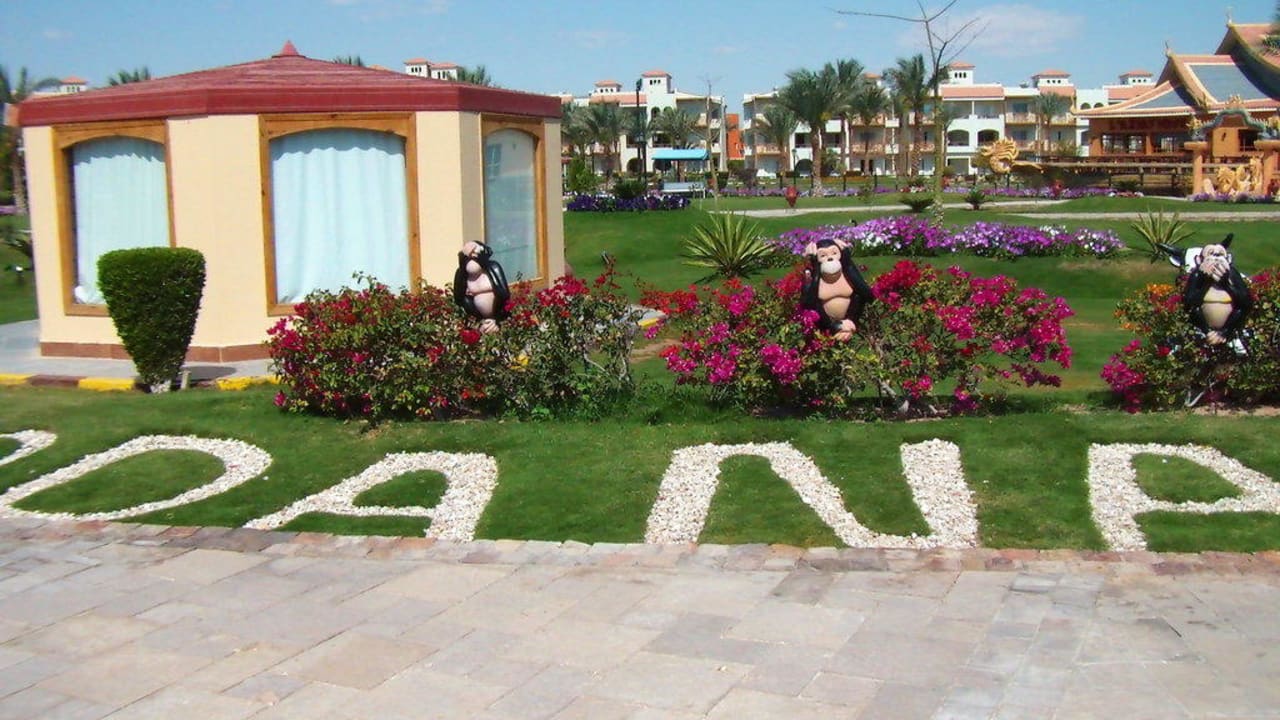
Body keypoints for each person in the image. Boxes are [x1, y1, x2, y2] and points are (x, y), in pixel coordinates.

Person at [800, 238, 874, 342]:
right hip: (826, 325)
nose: (830, 258)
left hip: (849, 321)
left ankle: (848, 324)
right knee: (815, 304)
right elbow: (808, 305)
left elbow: (868, 295)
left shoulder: (847, 273)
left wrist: (848, 263)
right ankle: (834, 327)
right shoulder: (813, 277)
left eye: (834, 253)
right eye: (823, 256)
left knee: (858, 296)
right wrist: (816, 272)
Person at [453, 241, 510, 334]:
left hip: (498, 315)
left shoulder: (493, 267)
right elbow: (459, 299)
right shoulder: (462, 274)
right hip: (478, 320)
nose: (472, 255)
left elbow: (504, 294)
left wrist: (498, 319)